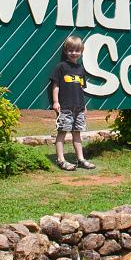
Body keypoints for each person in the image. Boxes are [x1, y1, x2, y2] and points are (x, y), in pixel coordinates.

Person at [49, 35, 96, 170]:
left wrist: (84, 105)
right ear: (66, 51)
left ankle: (80, 159)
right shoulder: (61, 67)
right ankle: (61, 160)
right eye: (70, 50)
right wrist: (56, 101)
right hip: (65, 108)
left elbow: (80, 88)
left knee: (77, 133)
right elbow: (55, 85)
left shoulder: (80, 69)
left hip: (79, 107)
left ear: (81, 52)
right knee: (62, 132)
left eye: (76, 50)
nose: (73, 53)